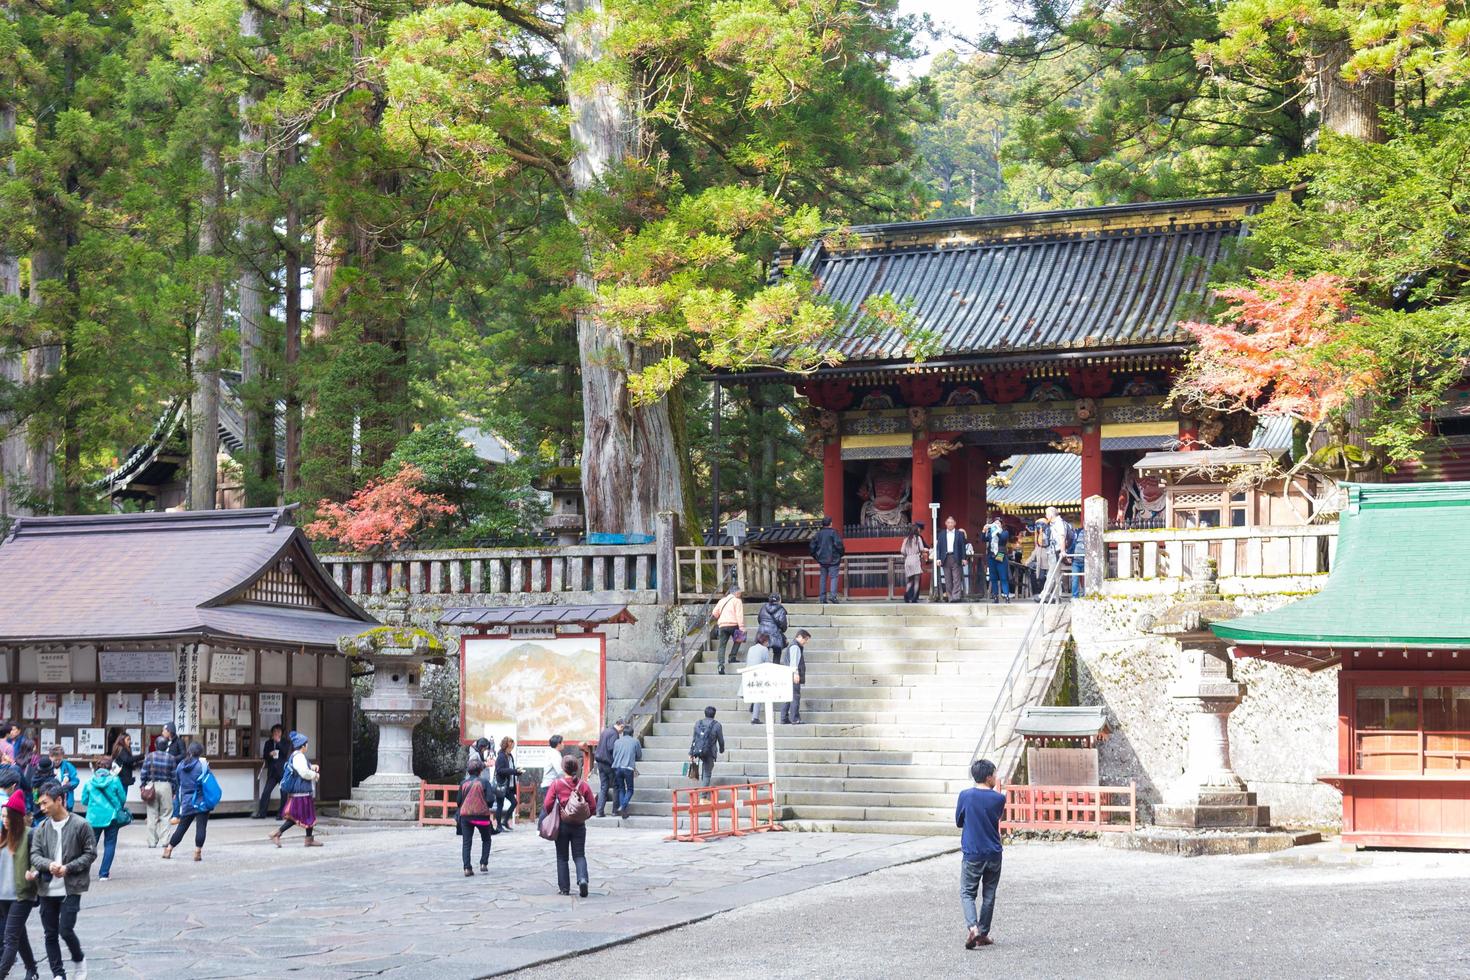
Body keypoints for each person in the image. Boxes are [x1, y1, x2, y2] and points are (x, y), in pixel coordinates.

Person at [30, 781, 95, 980]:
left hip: (71, 887)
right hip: (47, 888)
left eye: (45, 803)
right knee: (50, 934)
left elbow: (90, 853)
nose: (42, 808)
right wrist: (48, 865)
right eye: (40, 804)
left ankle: (79, 959)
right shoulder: (41, 827)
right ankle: (58, 974)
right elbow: (34, 855)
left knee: (65, 930)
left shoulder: (80, 825)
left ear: (59, 800)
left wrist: (68, 868)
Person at [956, 758, 1005, 950]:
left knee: (967, 892)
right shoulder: (999, 798)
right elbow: (995, 818)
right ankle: (983, 932)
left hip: (973, 852)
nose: (996, 777)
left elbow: (959, 821)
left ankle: (973, 928)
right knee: (989, 893)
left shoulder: (965, 796)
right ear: (988, 776)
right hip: (993, 852)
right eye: (994, 774)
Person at [0, 789, 39, 980]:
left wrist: (33, 871)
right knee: (19, 935)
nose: (4, 820)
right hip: (3, 896)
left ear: (16, 817)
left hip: (21, 895)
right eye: (2, 816)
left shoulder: (29, 835)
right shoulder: (2, 837)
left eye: (7, 816)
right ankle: (32, 970)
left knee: (10, 938)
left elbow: (37, 858)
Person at [543, 756, 596, 897]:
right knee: (579, 855)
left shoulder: (556, 784)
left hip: (562, 825)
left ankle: (564, 888)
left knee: (562, 857)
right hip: (579, 825)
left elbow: (547, 804)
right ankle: (582, 879)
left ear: (563, 767)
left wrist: (554, 814)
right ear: (577, 768)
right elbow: (592, 806)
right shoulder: (583, 785)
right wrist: (582, 816)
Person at [76, 758, 125, 882]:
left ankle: (83, 871)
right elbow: (122, 798)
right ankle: (104, 873)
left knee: (90, 846)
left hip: (93, 817)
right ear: (110, 768)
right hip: (111, 817)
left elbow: (84, 801)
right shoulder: (115, 780)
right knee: (110, 844)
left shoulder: (89, 782)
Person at [270, 731, 322, 848]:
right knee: (296, 816)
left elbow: (303, 768)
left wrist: (312, 766)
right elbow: (303, 772)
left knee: (308, 815)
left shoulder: (297, 755)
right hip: (301, 793)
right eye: (306, 744)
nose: (307, 746)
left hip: (302, 792)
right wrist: (315, 775)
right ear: (303, 745)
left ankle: (308, 839)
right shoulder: (298, 756)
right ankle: (277, 833)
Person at [163, 742, 211, 861]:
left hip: (187, 800)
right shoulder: (202, 765)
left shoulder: (180, 765)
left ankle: (169, 849)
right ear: (200, 752)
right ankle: (197, 852)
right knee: (201, 827)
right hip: (201, 800)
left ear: (188, 751)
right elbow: (208, 780)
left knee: (182, 827)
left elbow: (178, 782)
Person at [456, 759, 496, 876]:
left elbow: (458, 801)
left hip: (466, 816)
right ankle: (483, 863)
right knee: (486, 839)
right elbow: (490, 799)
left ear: (468, 771)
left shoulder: (463, 783)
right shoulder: (484, 782)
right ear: (480, 771)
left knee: (466, 842)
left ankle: (467, 868)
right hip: (482, 816)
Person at [137, 737, 176, 849]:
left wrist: (143, 785)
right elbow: (174, 776)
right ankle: (165, 841)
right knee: (166, 814)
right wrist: (174, 790)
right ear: (166, 746)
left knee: (152, 814)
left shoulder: (150, 757)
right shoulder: (171, 758)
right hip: (166, 786)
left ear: (156, 745)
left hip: (152, 785)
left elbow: (144, 772)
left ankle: (152, 842)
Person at [253, 724, 289, 820]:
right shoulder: (268, 743)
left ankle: (281, 814)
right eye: (275, 732)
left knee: (284, 794)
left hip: (282, 772)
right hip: (272, 772)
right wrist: (270, 754)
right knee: (266, 792)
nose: (276, 733)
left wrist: (279, 742)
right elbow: (265, 755)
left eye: (279, 732)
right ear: (272, 733)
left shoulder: (285, 742)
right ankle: (262, 813)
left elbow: (285, 752)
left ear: (281, 733)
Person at [809, 516, 845, 602]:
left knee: (823, 578)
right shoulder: (833, 533)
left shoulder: (818, 534)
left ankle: (822, 598)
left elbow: (812, 547)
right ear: (830, 523)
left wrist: (816, 557)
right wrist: (841, 554)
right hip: (833, 559)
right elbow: (839, 545)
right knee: (833, 577)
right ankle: (833, 596)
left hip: (822, 559)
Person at [688, 707, 725, 788]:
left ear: (705, 713)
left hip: (698, 750)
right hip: (710, 752)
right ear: (714, 714)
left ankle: (703, 790)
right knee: (707, 774)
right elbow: (721, 740)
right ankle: (703, 797)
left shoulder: (698, 723)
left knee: (705, 771)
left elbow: (694, 739)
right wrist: (722, 750)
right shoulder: (717, 725)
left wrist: (691, 752)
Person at [935, 515, 969, 602]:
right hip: (945, 557)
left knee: (956, 578)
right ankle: (950, 597)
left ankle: (956, 596)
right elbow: (939, 547)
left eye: (951, 522)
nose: (950, 524)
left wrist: (964, 558)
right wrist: (938, 558)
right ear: (946, 524)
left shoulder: (959, 534)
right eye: (948, 522)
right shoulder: (941, 534)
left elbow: (962, 547)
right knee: (948, 579)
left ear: (955, 524)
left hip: (956, 557)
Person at [712, 587, 745, 675]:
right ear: (736, 593)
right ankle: (732, 657)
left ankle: (720, 665)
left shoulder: (722, 600)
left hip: (722, 626)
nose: (740, 595)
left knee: (722, 646)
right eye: (739, 593)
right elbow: (739, 615)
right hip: (734, 625)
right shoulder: (737, 601)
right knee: (739, 640)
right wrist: (741, 627)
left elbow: (715, 613)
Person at [610, 725, 641, 817]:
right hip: (628, 768)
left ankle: (623, 812)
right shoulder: (635, 741)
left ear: (623, 733)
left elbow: (614, 755)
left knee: (621, 789)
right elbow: (639, 755)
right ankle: (623, 806)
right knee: (630, 789)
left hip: (617, 767)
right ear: (632, 733)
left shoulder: (617, 741)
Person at [493, 738, 523, 831]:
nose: (511, 749)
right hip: (501, 784)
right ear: (505, 746)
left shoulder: (510, 756)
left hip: (508, 785)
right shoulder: (501, 756)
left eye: (512, 747)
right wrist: (514, 771)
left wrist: (517, 771)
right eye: (510, 747)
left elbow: (510, 768)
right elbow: (500, 770)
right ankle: (498, 825)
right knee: (500, 805)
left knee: (514, 802)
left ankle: (505, 821)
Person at [981, 513, 1011, 604]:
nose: (996, 524)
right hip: (991, 555)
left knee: (1003, 576)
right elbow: (983, 539)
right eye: (995, 523)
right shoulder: (990, 533)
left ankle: (1006, 595)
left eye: (998, 523)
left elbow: (1002, 538)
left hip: (1000, 554)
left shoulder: (1004, 532)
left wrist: (997, 530)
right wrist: (984, 530)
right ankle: (995, 596)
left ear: (1002, 525)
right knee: (993, 577)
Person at [592, 721, 620, 818]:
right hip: (609, 763)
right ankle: (615, 811)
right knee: (616, 786)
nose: (622, 731)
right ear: (621, 726)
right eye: (622, 729)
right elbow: (611, 747)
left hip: (600, 762)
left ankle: (599, 811)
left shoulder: (605, 731)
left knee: (604, 787)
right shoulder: (614, 733)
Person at [1043, 506, 1071, 597]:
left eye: (1047, 514)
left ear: (1051, 514)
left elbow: (1061, 537)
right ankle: (1056, 596)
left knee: (1051, 574)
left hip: (1056, 551)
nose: (1046, 516)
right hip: (1053, 551)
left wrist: (1063, 551)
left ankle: (1045, 594)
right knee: (1056, 575)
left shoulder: (1058, 523)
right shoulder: (1053, 524)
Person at [783, 629, 809, 725]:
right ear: (800, 637)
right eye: (805, 639)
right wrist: (796, 673)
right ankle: (795, 718)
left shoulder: (793, 646)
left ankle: (784, 717)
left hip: (788, 674)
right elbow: (794, 662)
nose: (806, 642)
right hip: (792, 675)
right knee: (795, 697)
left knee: (787, 696)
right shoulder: (795, 647)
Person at [745, 632, 772, 724]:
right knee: (759, 695)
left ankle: (753, 706)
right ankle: (755, 718)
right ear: (764, 641)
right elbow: (767, 662)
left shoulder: (751, 648)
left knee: (755, 694)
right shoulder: (764, 649)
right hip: (759, 674)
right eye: (767, 641)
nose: (768, 643)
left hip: (749, 673)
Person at [756, 593, 788, 666]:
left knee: (762, 652)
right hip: (775, 634)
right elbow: (783, 625)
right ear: (779, 600)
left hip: (762, 634)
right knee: (777, 651)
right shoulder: (781, 610)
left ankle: (762, 669)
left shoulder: (763, 607)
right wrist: (782, 630)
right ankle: (775, 669)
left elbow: (759, 619)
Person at [900, 522, 927, 603]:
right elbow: (922, 549)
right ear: (916, 530)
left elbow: (902, 551)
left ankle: (907, 597)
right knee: (916, 581)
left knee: (909, 581)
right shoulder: (918, 538)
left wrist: (907, 555)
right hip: (915, 559)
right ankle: (914, 598)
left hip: (908, 560)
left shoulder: (906, 539)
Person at [1070, 521, 1087, 599]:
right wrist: (1069, 556)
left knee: (1086, 579)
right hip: (1076, 560)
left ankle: (1085, 594)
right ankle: (1075, 596)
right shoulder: (1078, 532)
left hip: (1086, 560)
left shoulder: (1092, 533)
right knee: (1075, 579)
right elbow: (1072, 544)